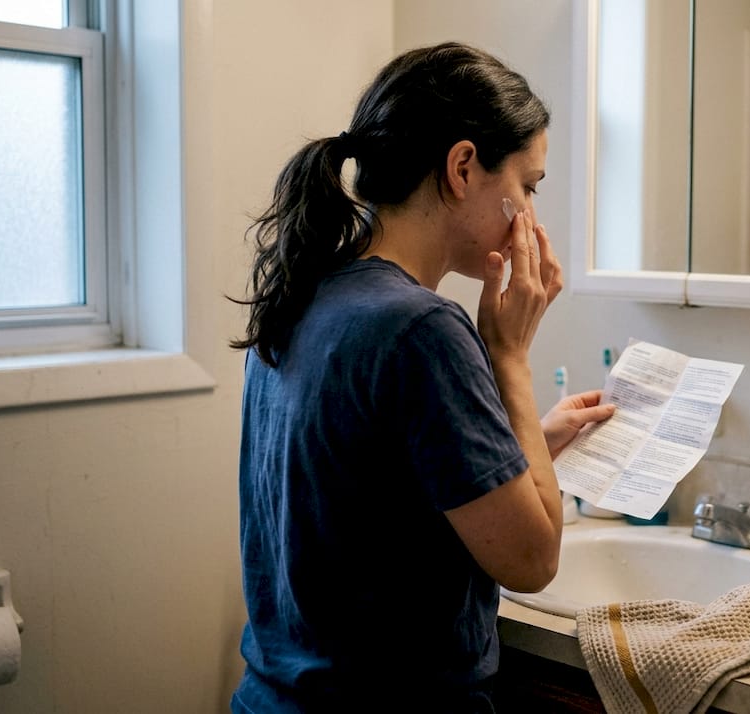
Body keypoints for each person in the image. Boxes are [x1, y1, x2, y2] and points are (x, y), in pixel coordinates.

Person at [227, 42, 615, 713]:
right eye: (528, 186)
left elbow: (370, 486)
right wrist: (510, 356)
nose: (531, 212)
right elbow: (532, 561)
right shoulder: (422, 329)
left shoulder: (310, 290)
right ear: (463, 167)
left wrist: (522, 446)